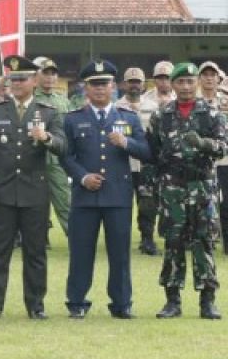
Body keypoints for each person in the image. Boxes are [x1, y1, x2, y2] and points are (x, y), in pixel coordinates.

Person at [60, 61, 151, 319]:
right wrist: (82, 177)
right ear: (85, 88)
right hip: (84, 196)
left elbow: (147, 152)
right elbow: (65, 156)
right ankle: (77, 302)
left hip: (118, 195)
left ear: (113, 87)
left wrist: (127, 142)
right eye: (94, 84)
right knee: (81, 252)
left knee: (120, 254)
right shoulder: (73, 119)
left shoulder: (128, 117)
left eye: (104, 84)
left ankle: (121, 304)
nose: (100, 89)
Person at [0, 56, 66, 320]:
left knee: (35, 252)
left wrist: (47, 137)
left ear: (35, 81)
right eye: (14, 79)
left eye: (23, 79)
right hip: (3, 191)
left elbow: (63, 145)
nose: (17, 83)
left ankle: (36, 305)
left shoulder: (48, 112)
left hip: (34, 191)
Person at [149, 62, 228, 319]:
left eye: (190, 82)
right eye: (180, 82)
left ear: (198, 83)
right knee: (173, 243)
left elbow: (225, 147)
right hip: (172, 188)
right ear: (172, 84)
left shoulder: (212, 114)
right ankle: (172, 301)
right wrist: (152, 186)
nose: (185, 87)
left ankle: (208, 301)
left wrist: (204, 143)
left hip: (202, 187)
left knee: (204, 242)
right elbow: (153, 152)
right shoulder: (162, 116)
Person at [196, 61, 228, 255]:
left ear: (218, 79)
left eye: (212, 75)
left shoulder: (226, 103)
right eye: (205, 75)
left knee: (226, 203)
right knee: (198, 203)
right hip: (198, 160)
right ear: (199, 78)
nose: (209, 78)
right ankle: (199, 242)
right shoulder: (192, 100)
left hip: (221, 161)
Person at [131, 61, 174, 256]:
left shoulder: (182, 97)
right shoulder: (144, 101)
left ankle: (173, 237)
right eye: (159, 78)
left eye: (167, 78)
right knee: (147, 200)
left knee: (173, 199)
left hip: (173, 158)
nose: (163, 81)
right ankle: (147, 238)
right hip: (150, 158)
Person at [32, 57, 72, 241]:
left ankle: (75, 236)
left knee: (64, 199)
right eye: (45, 73)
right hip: (33, 157)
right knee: (35, 202)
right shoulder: (30, 99)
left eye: (53, 73)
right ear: (36, 75)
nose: (50, 77)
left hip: (57, 158)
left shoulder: (63, 101)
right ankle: (38, 238)